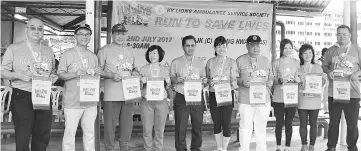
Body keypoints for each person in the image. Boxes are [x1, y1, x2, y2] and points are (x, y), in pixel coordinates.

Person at [1, 18, 58, 151]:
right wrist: (17, 75)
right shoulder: (14, 48)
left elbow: (53, 70)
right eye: (33, 28)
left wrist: (54, 76)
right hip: (22, 94)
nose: (36, 31)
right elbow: (2, 71)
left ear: (43, 31)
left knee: (43, 133)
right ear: (26, 29)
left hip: (43, 94)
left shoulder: (48, 50)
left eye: (40, 28)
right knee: (23, 133)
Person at [58, 24, 101, 151]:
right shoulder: (67, 54)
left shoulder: (93, 56)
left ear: (90, 37)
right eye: (81, 34)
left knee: (89, 133)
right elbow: (60, 74)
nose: (84, 36)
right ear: (75, 36)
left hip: (90, 101)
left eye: (87, 34)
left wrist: (97, 72)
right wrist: (75, 74)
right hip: (72, 101)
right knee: (69, 133)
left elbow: (95, 76)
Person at [97, 23, 139, 151]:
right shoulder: (104, 50)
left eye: (122, 33)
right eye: (117, 33)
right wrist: (110, 74)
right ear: (112, 35)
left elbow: (134, 68)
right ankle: (109, 148)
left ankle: (124, 148)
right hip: (111, 95)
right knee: (110, 126)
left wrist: (136, 72)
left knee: (127, 126)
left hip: (129, 94)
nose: (120, 36)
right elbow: (97, 71)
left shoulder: (130, 50)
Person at [322, 25, 361, 151]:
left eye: (344, 34)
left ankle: (352, 147)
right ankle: (331, 146)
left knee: (352, 123)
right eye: (339, 34)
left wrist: (357, 73)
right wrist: (329, 73)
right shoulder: (330, 51)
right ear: (336, 35)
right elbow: (325, 67)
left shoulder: (357, 50)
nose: (342, 36)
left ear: (349, 35)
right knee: (334, 121)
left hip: (353, 92)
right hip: (335, 92)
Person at [170, 35, 207, 151]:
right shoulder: (176, 62)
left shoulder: (200, 62)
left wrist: (205, 81)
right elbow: (171, 79)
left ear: (195, 46)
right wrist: (177, 80)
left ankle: (196, 148)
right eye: (187, 45)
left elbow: (204, 79)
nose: (190, 48)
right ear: (183, 47)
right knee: (181, 127)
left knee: (197, 126)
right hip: (182, 97)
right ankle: (181, 149)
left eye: (192, 45)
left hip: (196, 97)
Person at [236, 35, 273, 151]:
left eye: (257, 45)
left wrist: (270, 82)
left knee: (261, 128)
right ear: (247, 46)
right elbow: (233, 78)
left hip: (263, 100)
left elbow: (271, 76)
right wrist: (241, 82)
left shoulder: (266, 60)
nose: (255, 48)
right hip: (246, 100)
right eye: (252, 45)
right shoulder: (240, 60)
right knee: (245, 127)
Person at [205, 36, 238, 151]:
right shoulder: (210, 62)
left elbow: (235, 81)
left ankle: (224, 148)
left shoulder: (232, 62)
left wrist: (229, 85)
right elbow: (207, 79)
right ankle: (219, 147)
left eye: (224, 46)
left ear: (227, 48)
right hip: (214, 94)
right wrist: (210, 83)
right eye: (219, 46)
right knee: (217, 122)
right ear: (215, 48)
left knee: (226, 122)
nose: (221, 48)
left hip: (227, 94)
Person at [139, 45, 171, 151]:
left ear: (159, 55)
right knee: (147, 130)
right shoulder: (143, 70)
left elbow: (168, 87)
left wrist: (168, 84)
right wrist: (141, 82)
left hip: (161, 102)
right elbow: (139, 87)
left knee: (160, 130)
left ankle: (158, 148)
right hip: (146, 102)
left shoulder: (165, 70)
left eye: (154, 53)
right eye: (150, 53)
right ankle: (147, 148)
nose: (152, 55)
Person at [297, 44, 327, 151]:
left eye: (310, 52)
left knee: (314, 123)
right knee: (303, 123)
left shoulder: (318, 67)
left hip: (315, 100)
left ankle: (312, 145)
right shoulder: (298, 68)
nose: (308, 55)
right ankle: (304, 144)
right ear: (301, 55)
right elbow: (295, 83)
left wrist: (324, 78)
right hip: (302, 100)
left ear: (313, 54)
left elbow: (322, 84)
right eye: (305, 53)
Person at [272, 39, 300, 151]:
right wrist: (279, 80)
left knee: (289, 123)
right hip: (279, 97)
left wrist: (298, 79)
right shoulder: (276, 63)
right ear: (281, 49)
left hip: (291, 97)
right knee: (279, 123)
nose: (287, 50)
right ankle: (278, 146)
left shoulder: (296, 62)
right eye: (285, 48)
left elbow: (299, 77)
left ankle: (287, 146)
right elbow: (272, 79)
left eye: (290, 48)